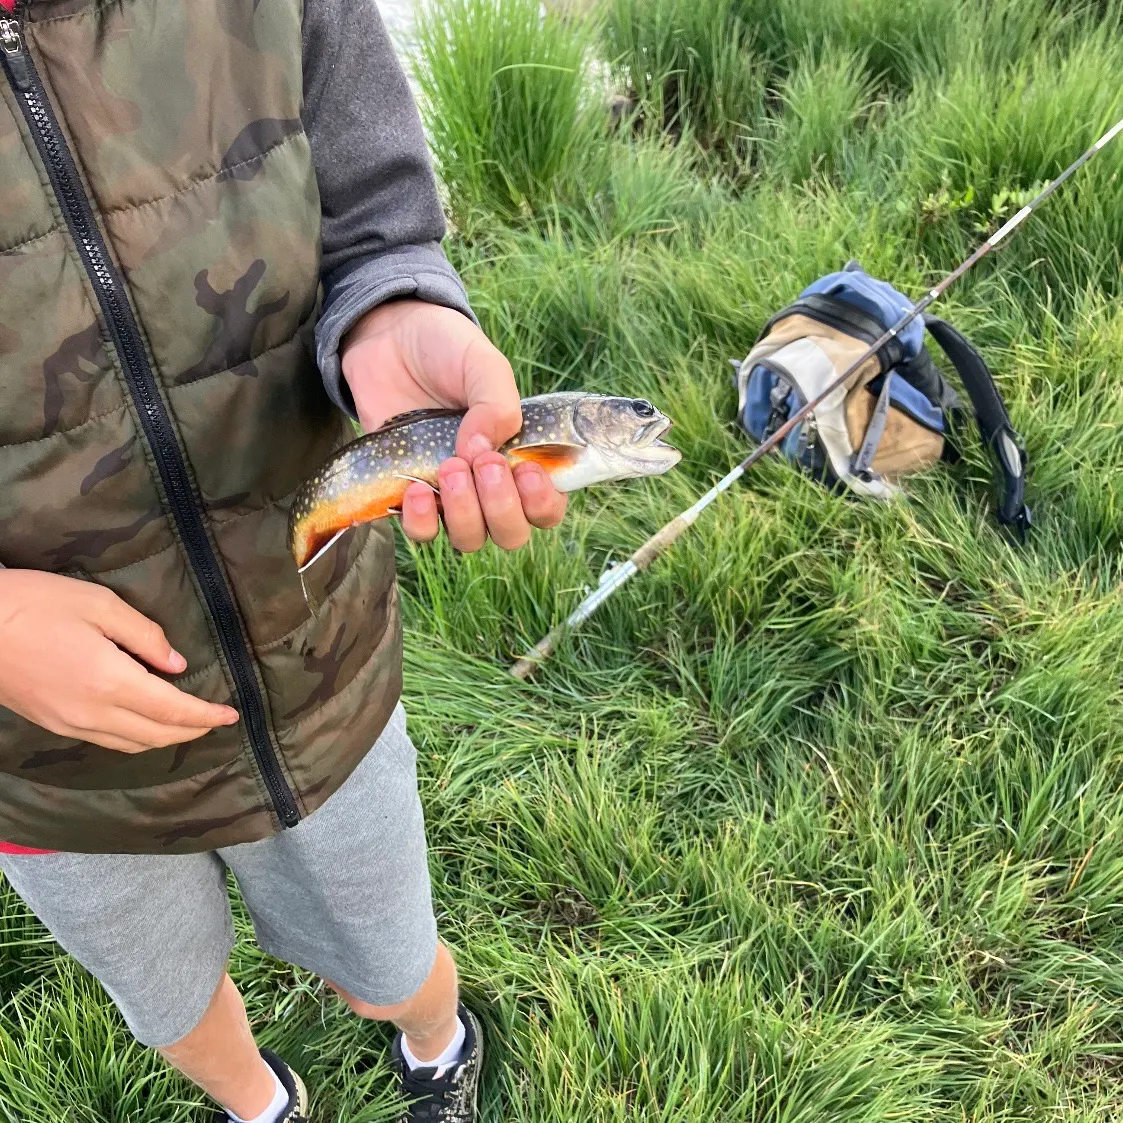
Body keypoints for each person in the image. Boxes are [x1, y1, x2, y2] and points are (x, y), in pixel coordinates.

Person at [0, 0, 565, 1120]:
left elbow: (372, 227)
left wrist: (390, 313)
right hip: (45, 764)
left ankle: (436, 1043)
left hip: (316, 667)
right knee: (168, 999)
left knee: (389, 954)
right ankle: (261, 1104)